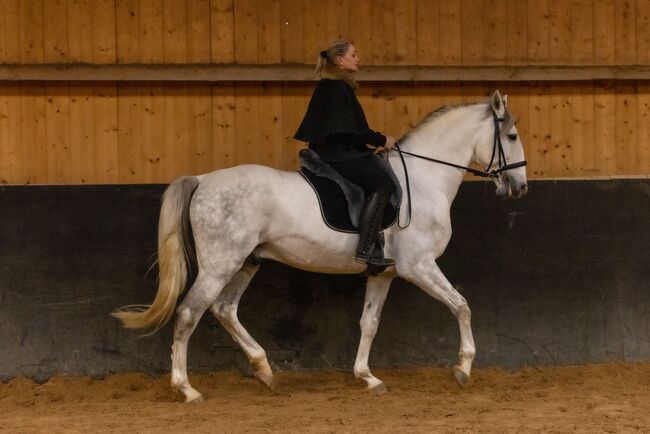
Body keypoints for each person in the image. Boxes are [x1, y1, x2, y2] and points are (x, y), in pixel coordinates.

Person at [294, 39, 397, 268]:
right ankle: (367, 246)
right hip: (339, 154)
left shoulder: (331, 86)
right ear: (340, 60)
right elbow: (354, 132)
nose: (357, 59)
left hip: (336, 150)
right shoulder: (338, 88)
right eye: (354, 54)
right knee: (383, 185)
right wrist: (383, 140)